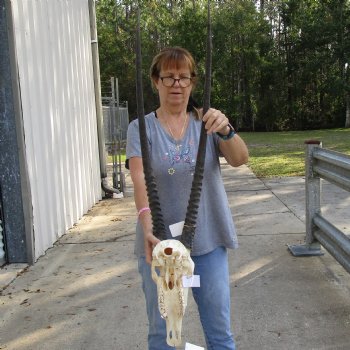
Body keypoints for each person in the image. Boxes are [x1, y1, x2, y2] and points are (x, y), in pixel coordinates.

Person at [126, 46, 249, 350]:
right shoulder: (140, 128)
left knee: (220, 333)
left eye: (183, 77)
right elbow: (139, 177)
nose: (176, 84)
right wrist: (147, 224)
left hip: (207, 242)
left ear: (193, 82)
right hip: (160, 246)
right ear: (156, 81)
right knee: (162, 332)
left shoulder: (207, 123)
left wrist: (227, 130)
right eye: (168, 77)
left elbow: (240, 159)